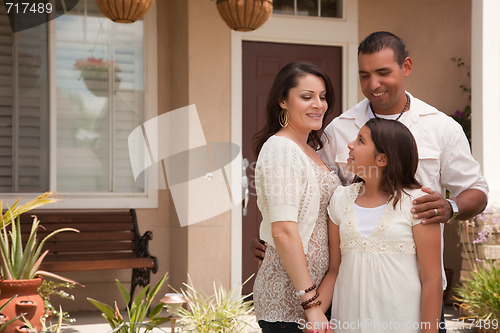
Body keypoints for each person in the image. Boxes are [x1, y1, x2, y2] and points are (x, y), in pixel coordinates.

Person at [252, 31, 489, 332]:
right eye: (364, 75)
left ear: (406, 67)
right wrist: (273, 237)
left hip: (414, 294)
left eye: (383, 73)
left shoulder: (441, 127)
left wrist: (450, 206)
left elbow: (478, 191)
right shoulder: (338, 129)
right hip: (347, 293)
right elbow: (304, 192)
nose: (373, 84)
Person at [327, 118, 442, 332]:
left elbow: (432, 281)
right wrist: (314, 313)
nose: (350, 145)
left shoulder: (418, 203)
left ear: (382, 159)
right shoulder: (340, 199)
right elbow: (334, 270)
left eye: (360, 140)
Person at [252, 61, 341, 333]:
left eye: (322, 96)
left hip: (316, 298)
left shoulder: (312, 149)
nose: (319, 104)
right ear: (282, 101)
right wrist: (311, 304)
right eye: (306, 97)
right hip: (289, 302)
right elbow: (283, 231)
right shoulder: (280, 148)